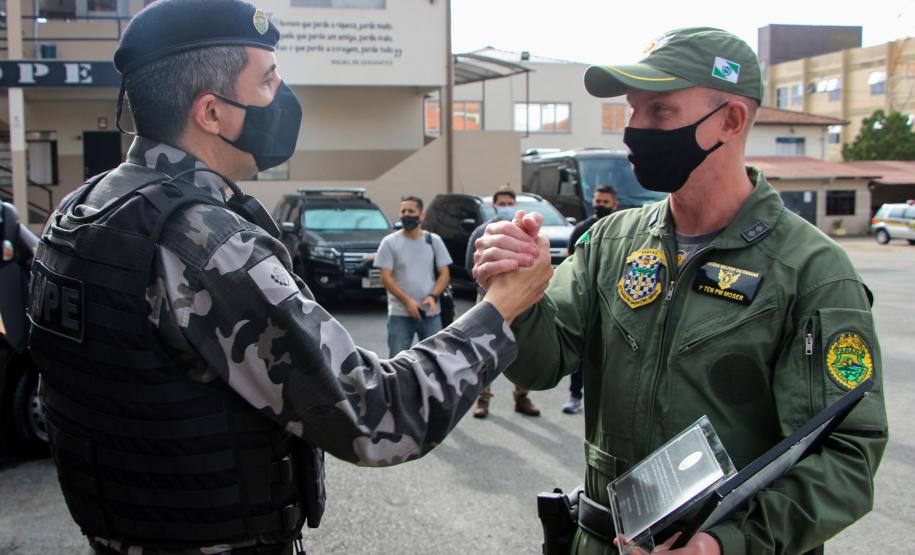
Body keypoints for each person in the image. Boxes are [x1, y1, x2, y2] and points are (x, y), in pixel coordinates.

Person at [26, 1, 553, 554]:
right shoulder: (206, 244)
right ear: (212, 112)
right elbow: (377, 415)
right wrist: (501, 307)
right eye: (267, 80)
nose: (281, 96)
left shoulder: (81, 210)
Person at [473, 27, 887, 555]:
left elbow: (847, 456)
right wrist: (513, 293)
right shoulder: (611, 242)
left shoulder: (812, 272)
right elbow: (538, 366)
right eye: (633, 110)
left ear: (730, 120)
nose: (634, 131)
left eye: (660, 111)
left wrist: (724, 543)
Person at [465, 187, 541, 418]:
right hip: (488, 297)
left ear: (515, 205)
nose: (506, 207)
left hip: (520, 298)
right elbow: (470, 263)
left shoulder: (525, 232)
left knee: (523, 347)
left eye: (510, 203)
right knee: (485, 349)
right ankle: (483, 399)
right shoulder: (483, 231)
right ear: (494, 206)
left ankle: (522, 396)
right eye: (502, 203)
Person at [561, 185, 619, 414]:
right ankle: (575, 396)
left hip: (615, 301)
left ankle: (607, 401)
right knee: (582, 351)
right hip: (587, 301)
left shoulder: (623, 229)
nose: (600, 205)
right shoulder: (582, 230)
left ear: (614, 204)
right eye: (598, 201)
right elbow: (570, 263)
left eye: (605, 202)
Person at [374, 195, 452, 357]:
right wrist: (407, 301)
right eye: (403, 211)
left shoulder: (434, 241)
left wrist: (433, 296)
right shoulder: (389, 242)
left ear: (421, 215)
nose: (406, 215)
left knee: (436, 360)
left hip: (430, 313)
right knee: (397, 361)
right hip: (400, 314)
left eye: (411, 211)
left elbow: (445, 273)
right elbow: (385, 277)